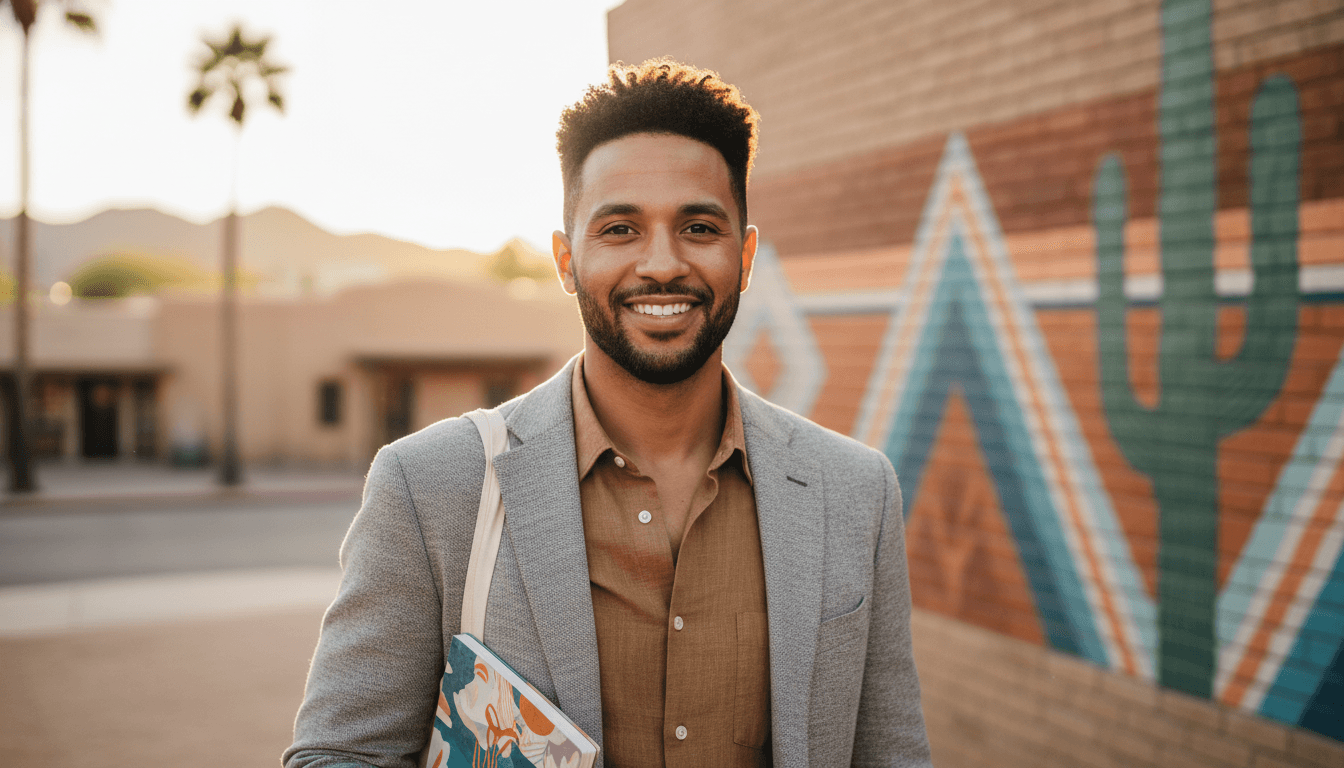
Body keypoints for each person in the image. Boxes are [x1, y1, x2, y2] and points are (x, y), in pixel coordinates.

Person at [285, 59, 931, 768]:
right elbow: (340, 754)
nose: (661, 264)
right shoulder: (431, 485)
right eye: (620, 229)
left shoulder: (855, 492)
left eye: (699, 227)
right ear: (566, 260)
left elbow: (890, 752)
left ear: (745, 257)